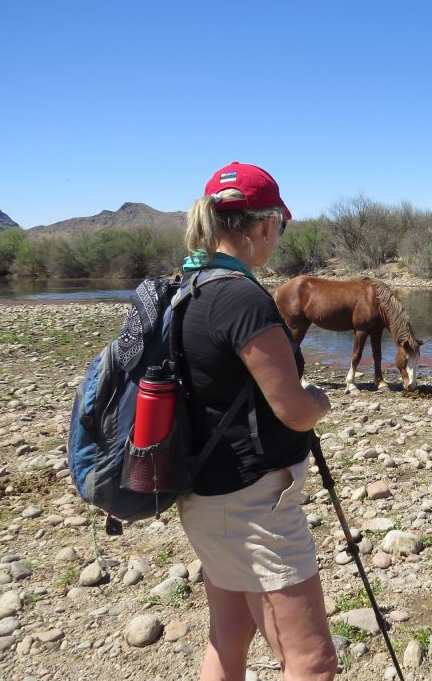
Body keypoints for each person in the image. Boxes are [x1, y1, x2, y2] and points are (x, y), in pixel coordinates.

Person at [177, 162, 338, 681]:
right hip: (252, 504)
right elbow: (292, 410)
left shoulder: (189, 288)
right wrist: (320, 401)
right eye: (281, 227)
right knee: (312, 663)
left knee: (228, 637)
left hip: (204, 495)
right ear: (266, 225)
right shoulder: (244, 299)